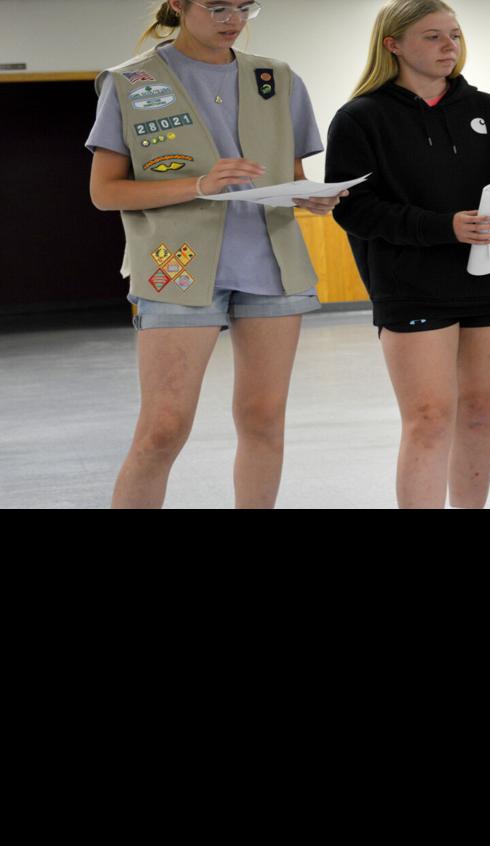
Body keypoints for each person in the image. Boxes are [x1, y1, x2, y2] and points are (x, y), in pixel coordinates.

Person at [90, 0, 341, 508]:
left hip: (271, 267)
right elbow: (105, 192)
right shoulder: (129, 82)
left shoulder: (277, 78)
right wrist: (198, 185)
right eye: (219, 7)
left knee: (264, 419)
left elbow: (290, 175)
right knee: (163, 428)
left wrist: (310, 196)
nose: (234, 20)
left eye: (246, 7)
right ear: (179, 6)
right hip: (176, 269)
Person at [326, 0, 490, 508]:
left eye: (455, 35)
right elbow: (354, 209)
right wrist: (441, 228)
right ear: (393, 45)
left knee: (478, 413)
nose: (450, 46)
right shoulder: (360, 118)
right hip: (412, 288)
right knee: (428, 419)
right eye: (433, 36)